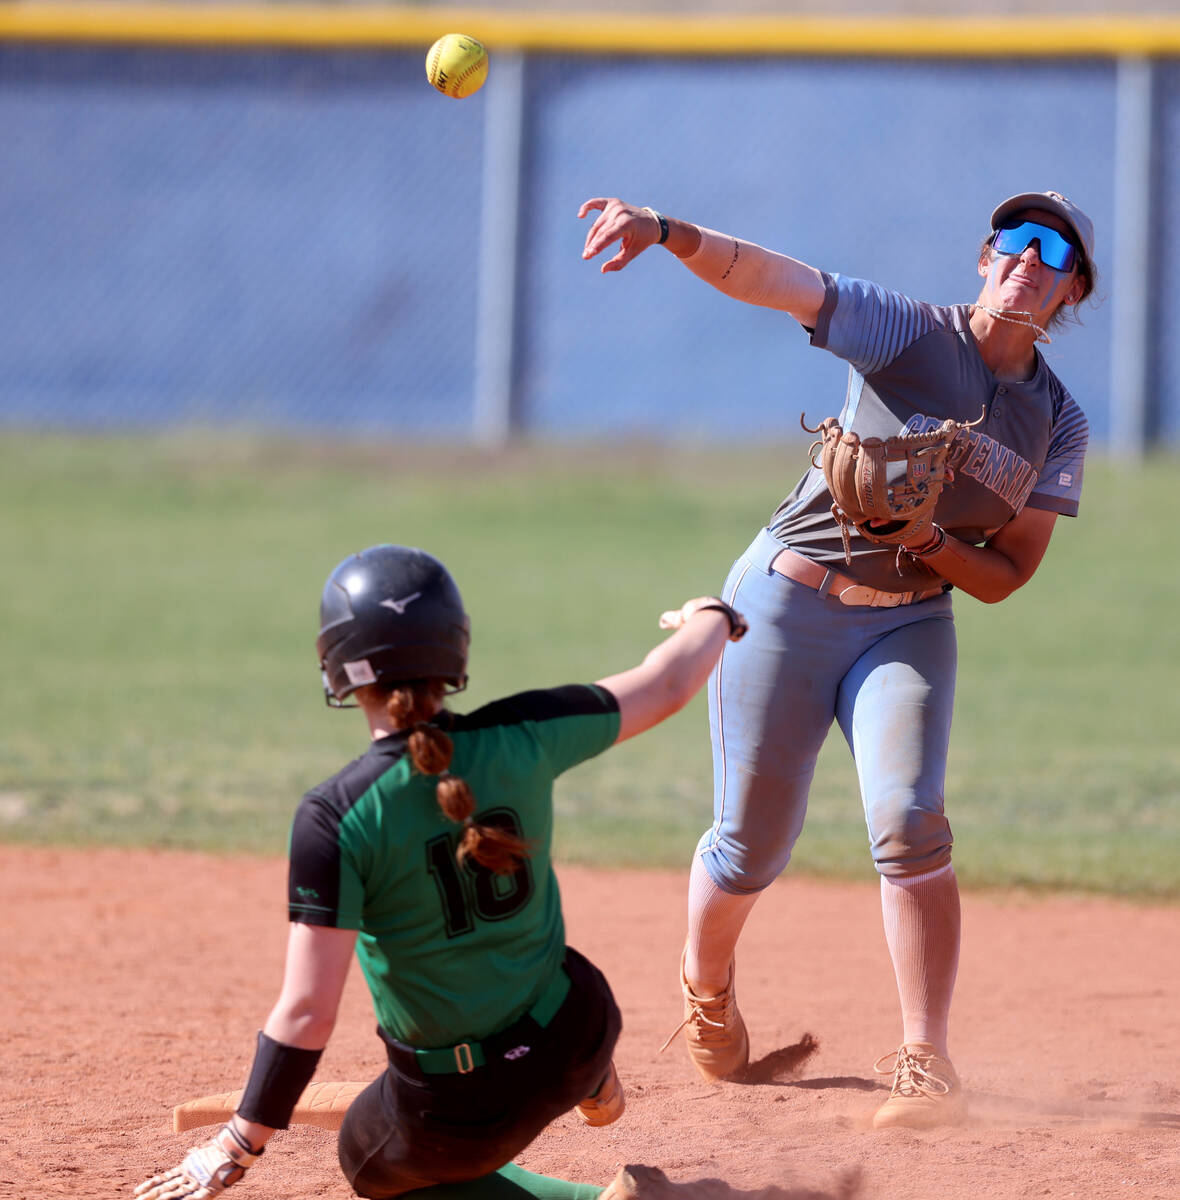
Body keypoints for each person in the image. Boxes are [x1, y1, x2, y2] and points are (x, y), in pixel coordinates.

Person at [578, 190, 1096, 1129]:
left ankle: (926, 1059)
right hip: (786, 597)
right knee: (750, 847)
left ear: (1071, 291)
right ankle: (706, 987)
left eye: (1053, 254)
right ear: (986, 257)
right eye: (1014, 242)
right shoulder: (907, 332)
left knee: (909, 821)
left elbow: (1007, 573)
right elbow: (780, 282)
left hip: (910, 620)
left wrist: (924, 535)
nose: (1029, 259)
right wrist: (665, 232)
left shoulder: (1057, 423)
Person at [135, 543, 747, 1200]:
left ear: (339, 666)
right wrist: (713, 615)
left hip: (461, 1108)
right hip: (580, 1032)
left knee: (369, 1162)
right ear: (453, 650)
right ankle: (592, 1081)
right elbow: (668, 683)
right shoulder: (526, 732)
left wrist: (237, 1144)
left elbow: (309, 1012)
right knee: (545, 979)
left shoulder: (335, 817)